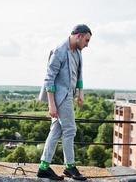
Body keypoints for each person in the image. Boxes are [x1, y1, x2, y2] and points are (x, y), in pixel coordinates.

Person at [37, 24, 92, 180]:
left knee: (56, 131)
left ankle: (43, 167)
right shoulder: (59, 51)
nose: (87, 45)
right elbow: (49, 79)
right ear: (79, 36)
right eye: (86, 40)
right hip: (60, 97)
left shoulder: (78, 52)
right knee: (70, 130)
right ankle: (70, 167)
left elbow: (79, 75)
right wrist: (51, 104)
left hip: (69, 95)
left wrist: (80, 93)